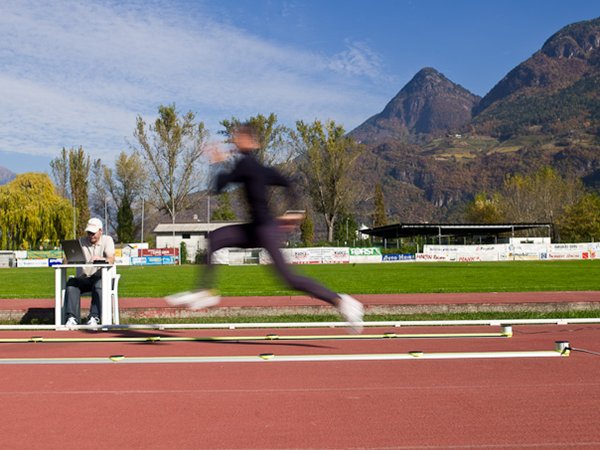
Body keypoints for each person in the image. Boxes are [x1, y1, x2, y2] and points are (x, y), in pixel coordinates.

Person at [166, 124, 364, 333]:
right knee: (214, 238)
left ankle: (343, 302)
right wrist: (219, 163)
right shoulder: (248, 166)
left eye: (239, 138)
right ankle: (205, 291)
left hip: (265, 230)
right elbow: (223, 186)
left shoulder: (248, 165)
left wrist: (294, 213)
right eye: (235, 137)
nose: (235, 141)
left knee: (290, 279)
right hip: (254, 229)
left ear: (252, 143)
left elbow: (280, 182)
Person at [63, 217, 116, 328]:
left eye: (93, 233)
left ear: (101, 231)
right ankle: (72, 318)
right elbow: (66, 260)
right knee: (71, 283)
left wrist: (101, 258)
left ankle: (94, 317)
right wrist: (68, 258)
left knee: (99, 285)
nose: (91, 235)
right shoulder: (81, 241)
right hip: (84, 278)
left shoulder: (107, 240)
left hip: (101, 278)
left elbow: (111, 259)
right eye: (89, 233)